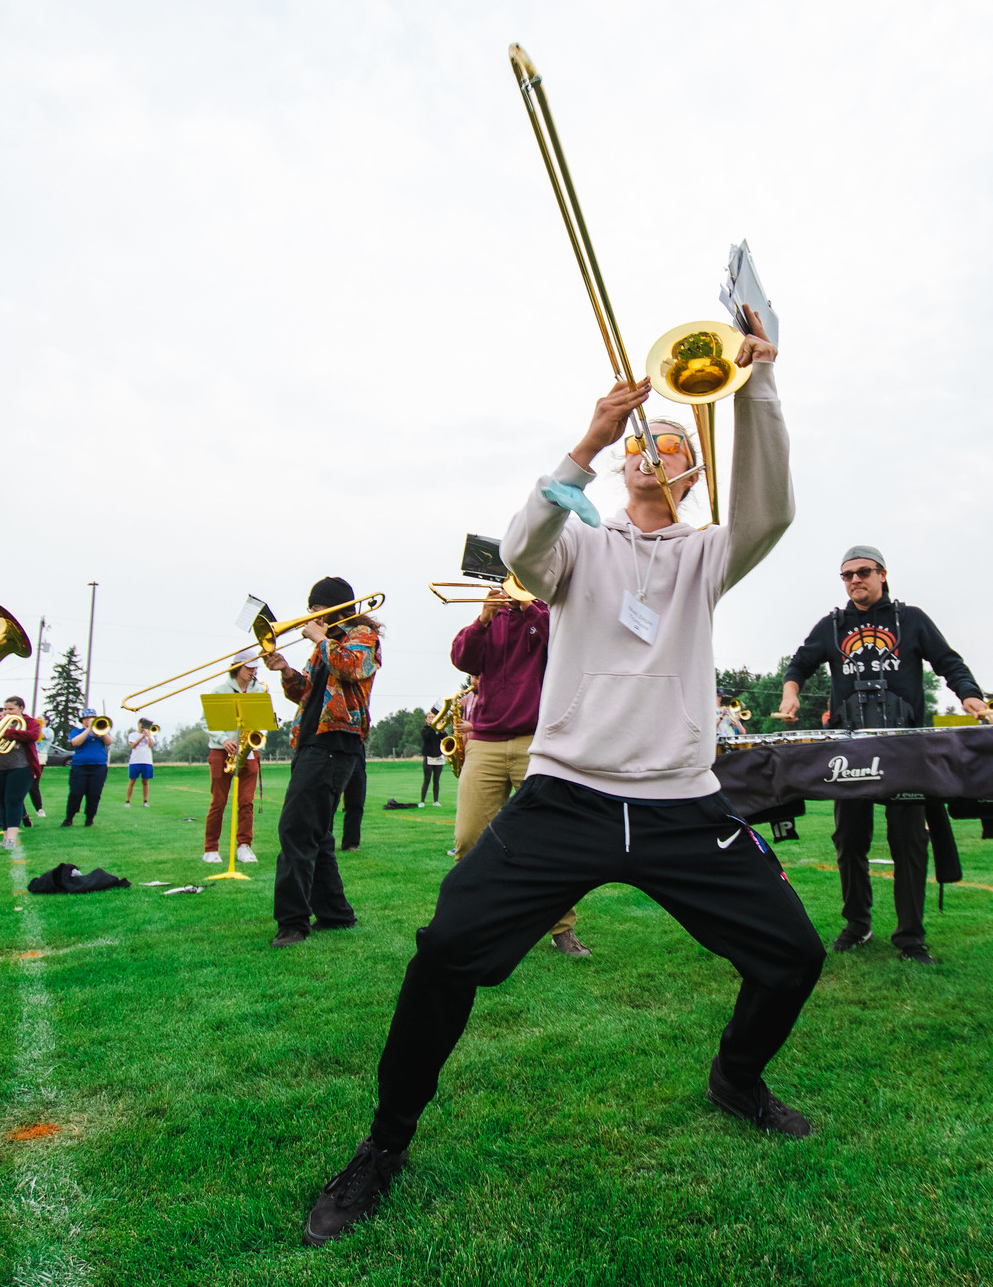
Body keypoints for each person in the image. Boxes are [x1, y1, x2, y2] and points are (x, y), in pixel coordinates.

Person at [302, 308, 814, 1247]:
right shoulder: (580, 546)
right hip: (568, 793)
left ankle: (736, 1076)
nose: (652, 454)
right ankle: (385, 1142)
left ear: (693, 468)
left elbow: (773, 509)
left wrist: (761, 383)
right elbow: (520, 549)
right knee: (443, 950)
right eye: (640, 444)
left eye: (670, 444)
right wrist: (586, 438)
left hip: (680, 801)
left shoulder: (709, 553)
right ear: (624, 464)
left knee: (792, 958)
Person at [775, 546, 993, 962]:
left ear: (882, 574)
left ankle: (910, 938)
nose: (854, 580)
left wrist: (971, 698)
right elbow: (799, 665)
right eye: (846, 575)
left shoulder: (910, 620)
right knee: (849, 838)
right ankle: (857, 924)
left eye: (863, 572)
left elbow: (949, 663)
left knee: (910, 841)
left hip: (905, 751)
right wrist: (791, 696)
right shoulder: (832, 625)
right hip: (850, 751)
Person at [449, 586, 586, 956]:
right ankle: (470, 924)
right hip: (485, 742)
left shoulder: (546, 612)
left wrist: (528, 607)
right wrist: (483, 618)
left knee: (548, 839)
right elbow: (463, 658)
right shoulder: (489, 620)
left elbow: (566, 645)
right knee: (468, 838)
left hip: (536, 742)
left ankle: (562, 929)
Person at [265, 580, 380, 943]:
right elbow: (308, 692)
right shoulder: (326, 645)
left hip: (336, 743)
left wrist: (320, 640)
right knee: (318, 833)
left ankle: (293, 922)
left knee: (296, 829)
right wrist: (285, 670)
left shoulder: (361, 637)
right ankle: (335, 914)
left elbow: (353, 668)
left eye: (314, 609)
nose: (309, 615)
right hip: (311, 740)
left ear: (333, 609)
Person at [201, 651, 265, 865]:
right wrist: (223, 740)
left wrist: (258, 736)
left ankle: (244, 847)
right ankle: (211, 849)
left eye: (256, 668)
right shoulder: (220, 690)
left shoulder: (260, 689)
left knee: (247, 802)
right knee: (218, 802)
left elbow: (264, 720)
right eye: (249, 668)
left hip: (249, 752)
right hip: (222, 752)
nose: (253, 672)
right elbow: (205, 721)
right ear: (237, 667)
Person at [0, 697, 37, 851]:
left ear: (21, 708)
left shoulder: (30, 722)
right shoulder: (0, 722)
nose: (7, 712)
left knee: (13, 801)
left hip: (21, 767)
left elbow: (32, 736)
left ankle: (11, 839)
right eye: (5, 709)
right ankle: (5, 838)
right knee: (1, 802)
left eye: (11, 709)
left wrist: (9, 732)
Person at [61, 709, 113, 826]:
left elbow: (109, 742)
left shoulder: (101, 732)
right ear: (82, 720)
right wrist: (89, 729)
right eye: (87, 718)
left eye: (92, 718)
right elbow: (75, 743)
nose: (89, 720)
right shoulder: (76, 731)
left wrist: (100, 730)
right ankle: (69, 818)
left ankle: (90, 818)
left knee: (94, 794)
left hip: (98, 767)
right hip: (80, 767)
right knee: (76, 793)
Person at [123, 720, 158, 807]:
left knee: (145, 782)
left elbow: (151, 745)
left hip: (147, 761)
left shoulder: (150, 735)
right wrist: (142, 736)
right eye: (142, 726)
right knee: (132, 781)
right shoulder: (132, 735)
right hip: (135, 761)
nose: (143, 728)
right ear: (139, 724)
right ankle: (127, 801)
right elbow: (133, 745)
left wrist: (148, 736)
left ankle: (145, 801)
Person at [418, 717, 445, 806]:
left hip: (438, 757)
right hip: (428, 757)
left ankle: (436, 801)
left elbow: (445, 736)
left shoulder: (438, 728)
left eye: (433, 717)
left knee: (436, 780)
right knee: (427, 780)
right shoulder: (424, 729)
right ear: (426, 720)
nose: (432, 719)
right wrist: (433, 726)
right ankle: (422, 801)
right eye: (430, 717)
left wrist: (442, 729)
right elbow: (426, 737)